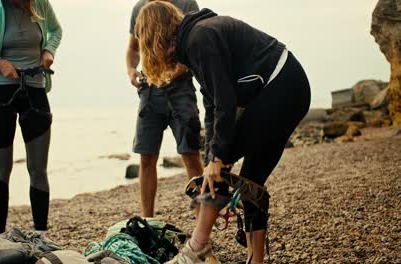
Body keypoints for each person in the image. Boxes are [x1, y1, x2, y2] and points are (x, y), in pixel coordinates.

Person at [135, 2, 311, 263]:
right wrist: (210, 157)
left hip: (282, 87)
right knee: (251, 181)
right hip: (289, 89)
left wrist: (217, 159)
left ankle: (197, 248)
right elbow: (212, 107)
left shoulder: (199, 38)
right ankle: (256, 260)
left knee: (223, 162)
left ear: (154, 36)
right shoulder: (194, 41)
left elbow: (225, 103)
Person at [0, 0, 62, 247]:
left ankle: (40, 235)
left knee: (38, 168)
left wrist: (49, 51)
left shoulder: (40, 3)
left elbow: (56, 31)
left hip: (35, 91)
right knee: (0, 169)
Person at [126, 0, 204, 218]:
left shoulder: (187, 3)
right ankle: (148, 221)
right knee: (146, 157)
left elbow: (194, 46)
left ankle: (202, 222)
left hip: (181, 89)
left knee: (190, 154)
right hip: (150, 90)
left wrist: (173, 73)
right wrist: (132, 70)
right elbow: (133, 47)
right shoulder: (139, 8)